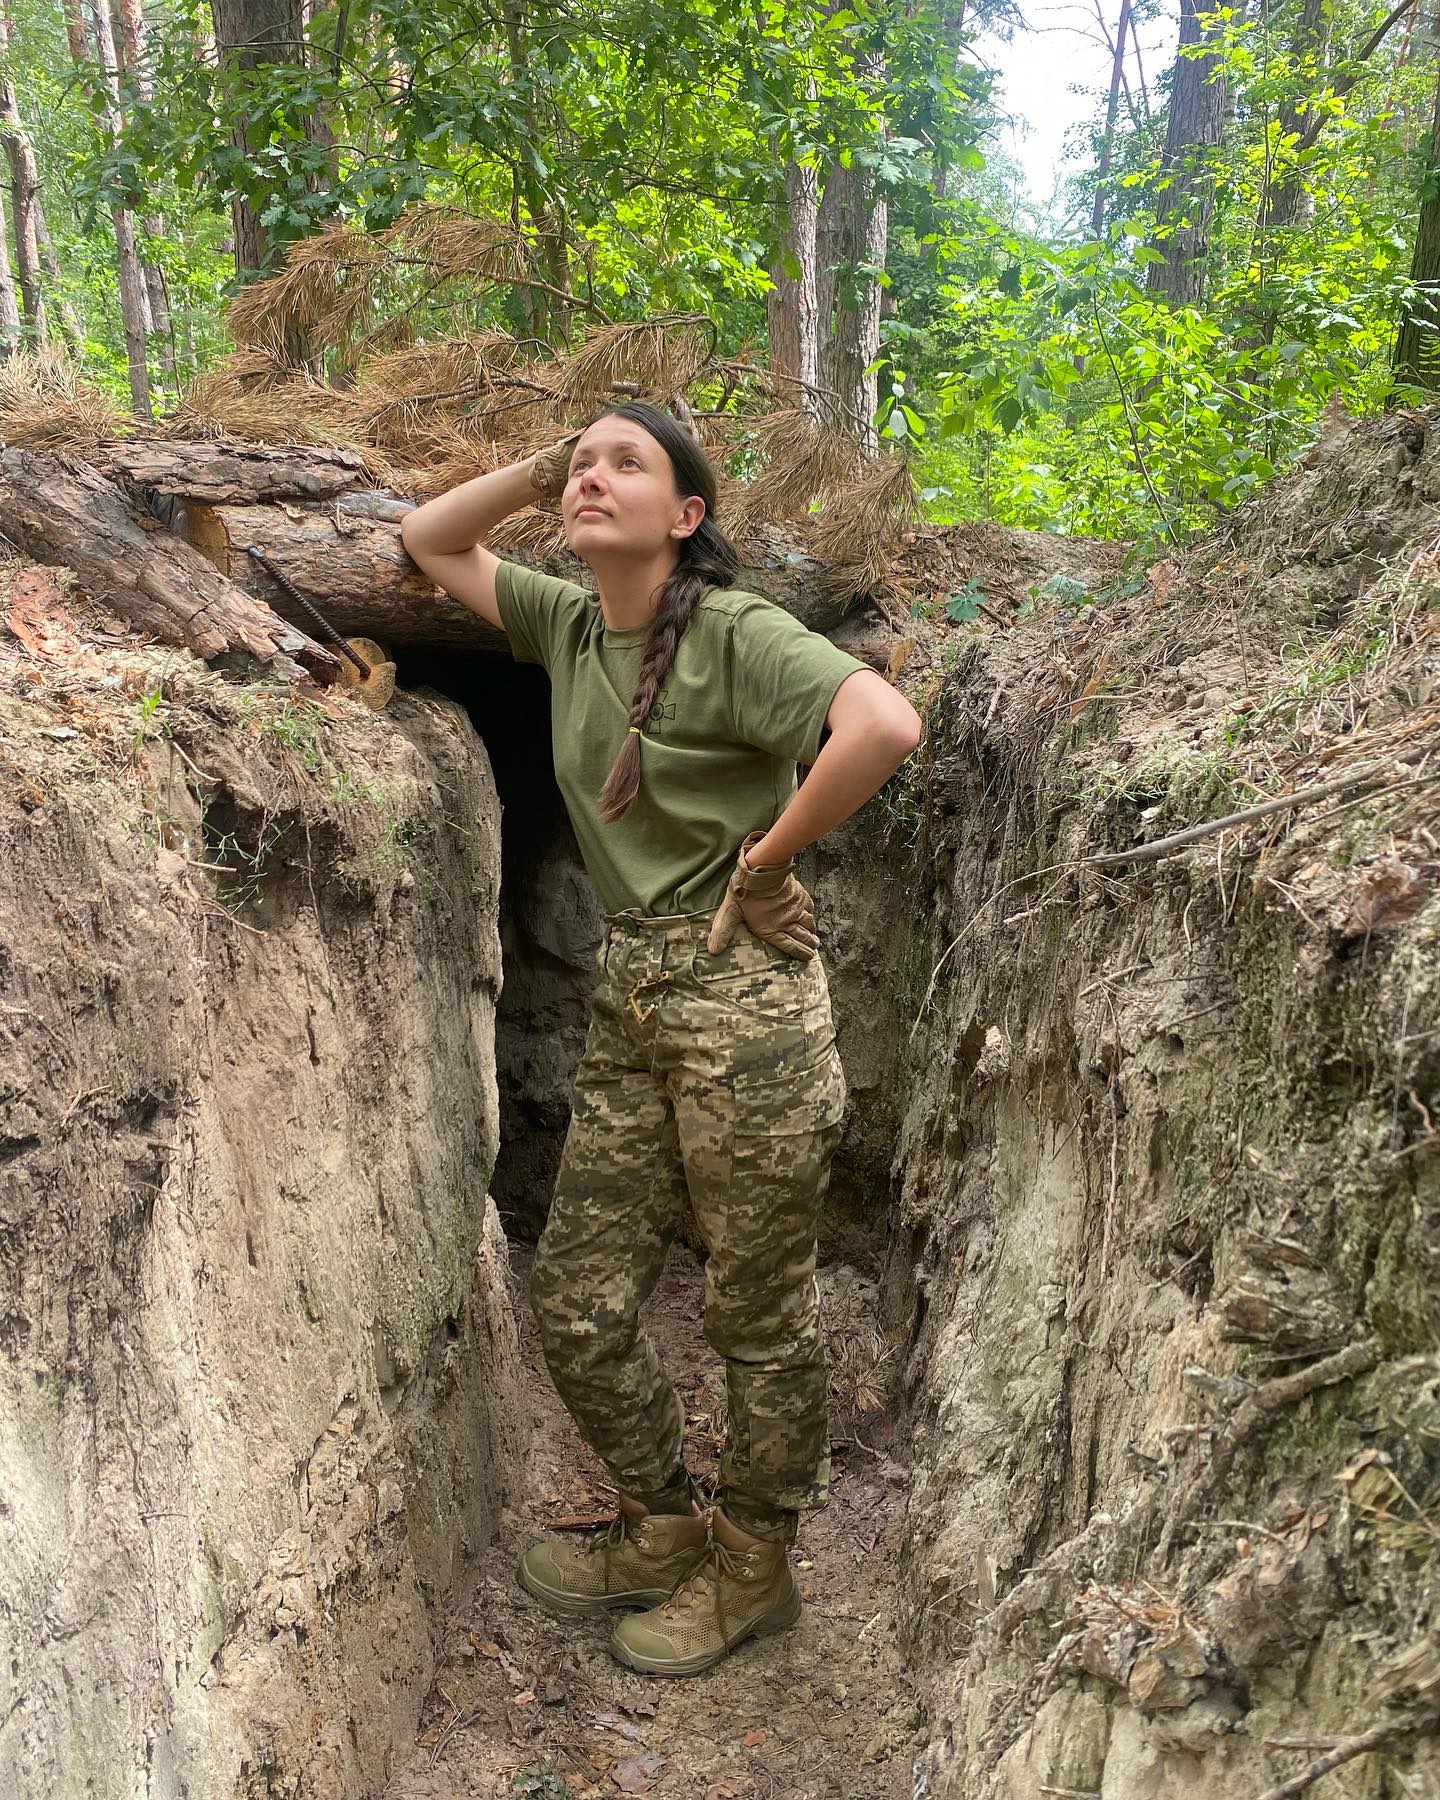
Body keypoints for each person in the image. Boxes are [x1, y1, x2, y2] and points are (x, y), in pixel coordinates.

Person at [400, 403, 921, 1676]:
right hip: (635, 993)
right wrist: (540, 462)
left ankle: (754, 1570)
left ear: (686, 518)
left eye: (625, 463)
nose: (591, 476)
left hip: (743, 999)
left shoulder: (733, 631)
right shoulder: (571, 622)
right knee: (576, 1298)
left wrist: (768, 860)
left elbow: (884, 727)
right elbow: (428, 538)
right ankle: (663, 1523)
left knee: (758, 1316)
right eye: (580, 464)